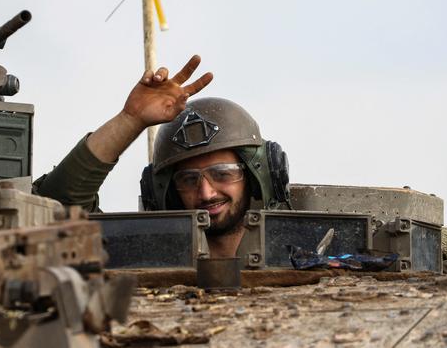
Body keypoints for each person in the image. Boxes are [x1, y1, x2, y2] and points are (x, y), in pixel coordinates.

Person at [34, 55, 289, 257]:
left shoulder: (299, 254)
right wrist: (130, 120)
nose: (206, 193)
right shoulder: (148, 256)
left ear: (257, 175)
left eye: (223, 174)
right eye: (188, 180)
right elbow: (60, 206)